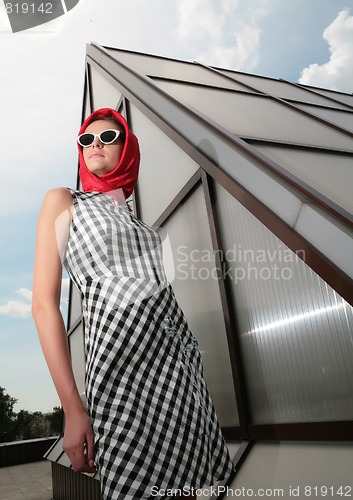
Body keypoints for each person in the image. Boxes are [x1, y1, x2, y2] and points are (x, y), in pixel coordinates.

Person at [32, 108, 234, 500]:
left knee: (187, 489)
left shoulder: (146, 229)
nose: (95, 145)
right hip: (117, 376)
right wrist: (72, 409)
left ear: (128, 150)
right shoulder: (64, 200)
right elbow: (43, 305)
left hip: (178, 374)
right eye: (86, 140)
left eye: (108, 138)